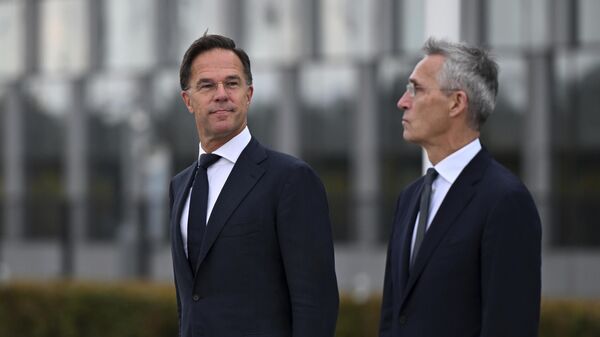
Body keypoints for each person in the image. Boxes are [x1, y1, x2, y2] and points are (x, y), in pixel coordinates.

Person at [169, 33, 339, 337]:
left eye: (232, 83)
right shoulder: (180, 186)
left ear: (248, 94)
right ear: (187, 100)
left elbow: (315, 304)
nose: (221, 94)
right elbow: (190, 301)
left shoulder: (291, 180)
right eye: (207, 85)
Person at [379, 38, 542, 337]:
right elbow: (394, 316)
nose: (403, 101)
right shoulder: (409, 198)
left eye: (417, 89)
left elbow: (510, 325)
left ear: (456, 102)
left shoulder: (505, 201)